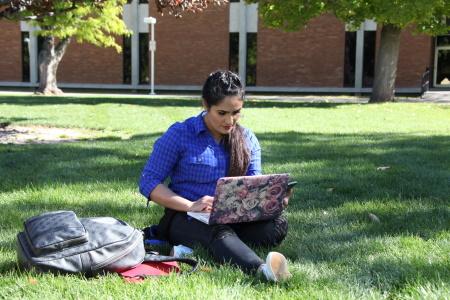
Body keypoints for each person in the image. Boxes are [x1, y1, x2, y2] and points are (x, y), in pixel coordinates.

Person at [139, 70, 292, 282]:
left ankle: (204, 247)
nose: (230, 120)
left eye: (236, 112)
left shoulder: (247, 138)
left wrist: (275, 200)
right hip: (186, 216)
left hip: (235, 216)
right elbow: (148, 182)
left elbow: (254, 184)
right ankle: (261, 270)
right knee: (218, 232)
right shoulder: (180, 134)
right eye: (222, 113)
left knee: (276, 226)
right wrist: (191, 205)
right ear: (205, 104)